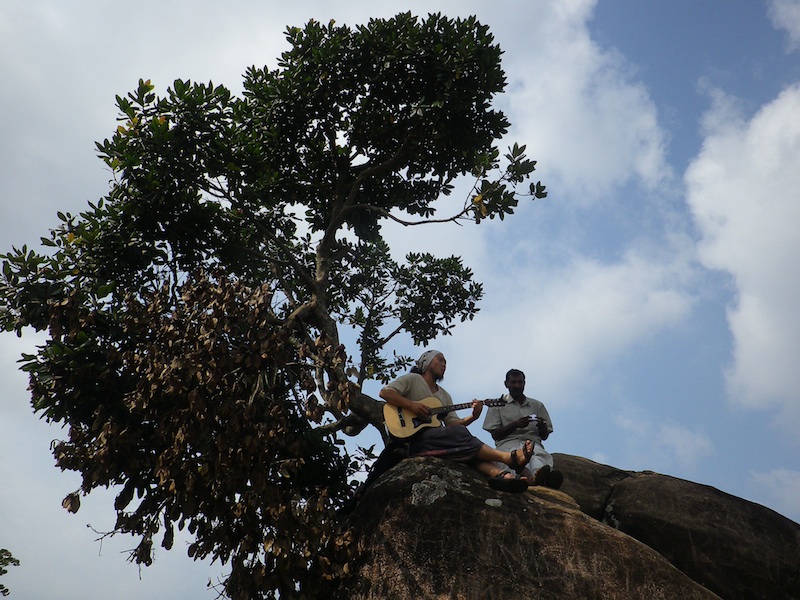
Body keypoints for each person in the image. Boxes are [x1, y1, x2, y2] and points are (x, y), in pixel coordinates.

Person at [378, 350, 535, 492]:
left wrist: (473, 415)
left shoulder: (444, 395)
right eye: (440, 360)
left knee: (467, 449)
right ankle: (508, 458)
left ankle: (504, 476)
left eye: (445, 362)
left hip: (438, 439)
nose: (444, 364)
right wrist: (412, 405)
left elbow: (452, 424)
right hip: (416, 439)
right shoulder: (412, 379)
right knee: (461, 435)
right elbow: (385, 392)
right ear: (426, 361)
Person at [482, 368, 563, 489]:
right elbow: (495, 434)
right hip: (507, 444)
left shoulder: (537, 405)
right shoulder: (497, 405)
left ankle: (539, 476)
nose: (517, 386)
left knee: (537, 458)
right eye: (513, 382)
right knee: (514, 459)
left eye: (520, 382)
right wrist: (516, 424)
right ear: (506, 384)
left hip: (533, 443)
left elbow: (545, 436)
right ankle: (530, 479)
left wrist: (542, 427)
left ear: (524, 384)